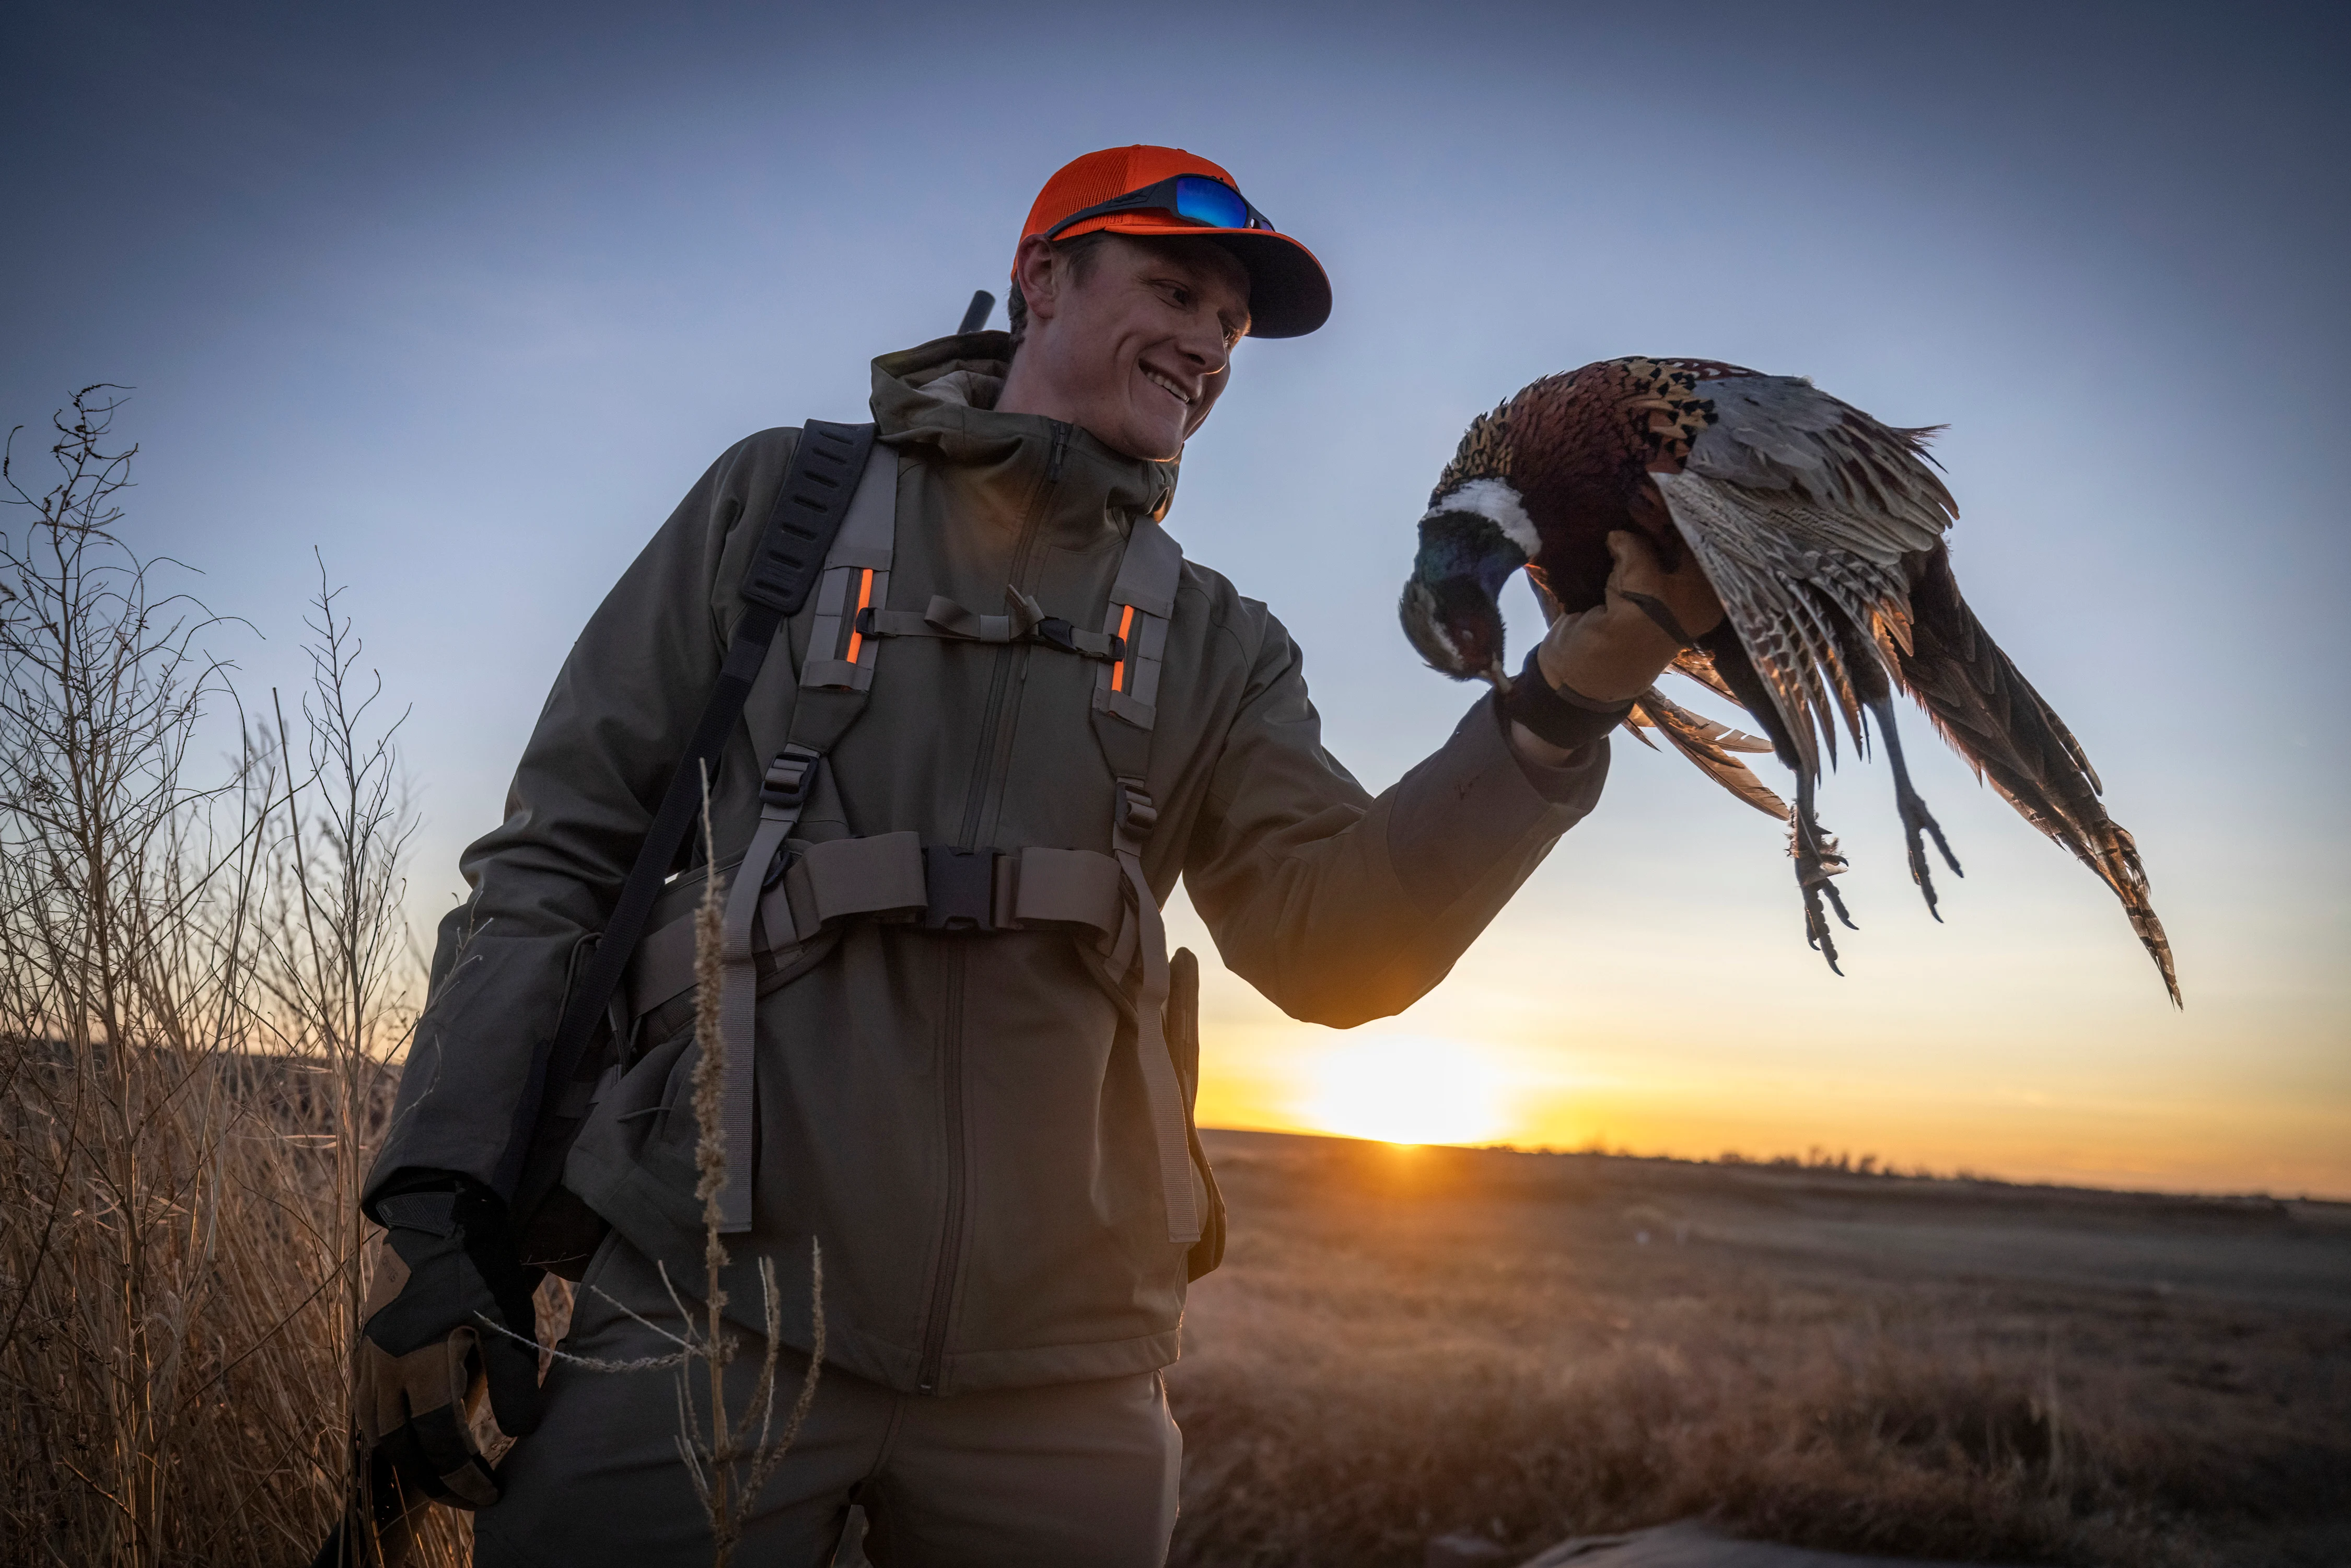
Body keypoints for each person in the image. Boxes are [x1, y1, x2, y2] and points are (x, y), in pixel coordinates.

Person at [353, 144, 1722, 1567]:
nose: (1205, 343)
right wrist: (439, 1211)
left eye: (1231, 327)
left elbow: (1340, 950)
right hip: (710, 1325)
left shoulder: (1217, 642)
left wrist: (1561, 706)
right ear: (1041, 280)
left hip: (1063, 1380)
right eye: (1174, 288)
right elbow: (553, 862)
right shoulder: (781, 511)